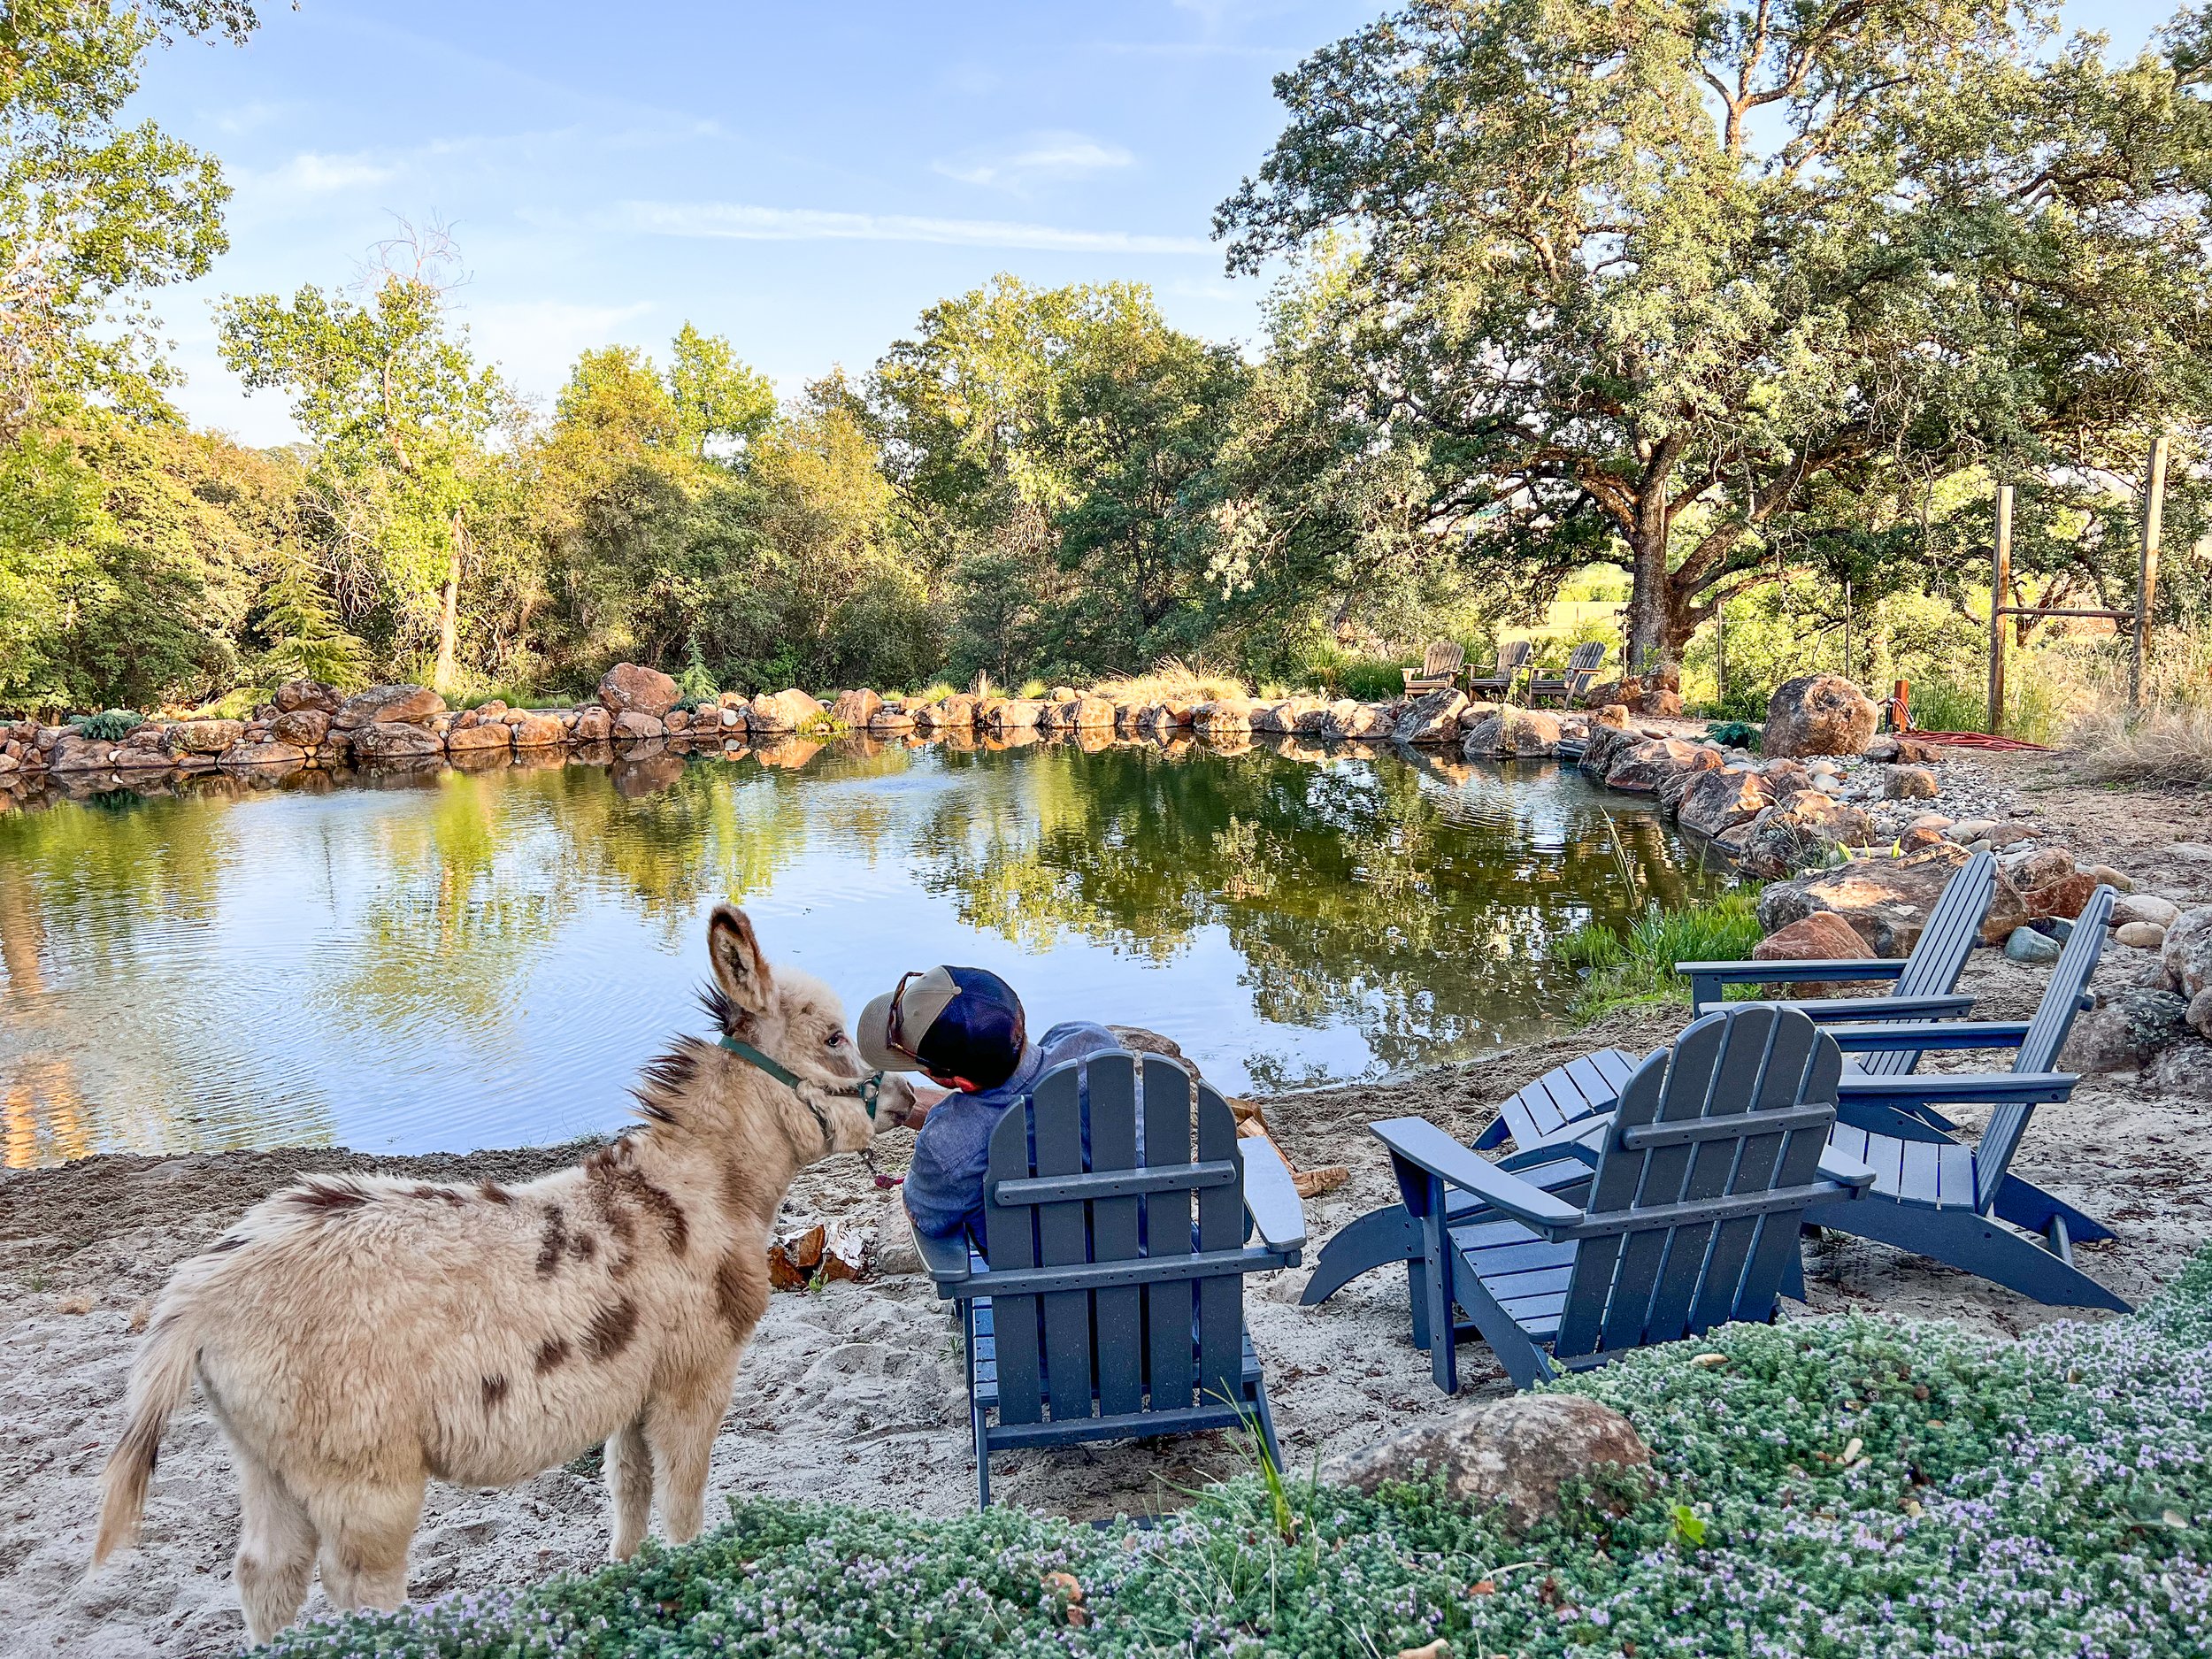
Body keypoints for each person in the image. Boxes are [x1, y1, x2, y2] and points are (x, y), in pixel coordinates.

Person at [858, 965, 1122, 1243]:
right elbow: (1028, 1089)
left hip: (1036, 1270)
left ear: (956, 1080)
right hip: (1150, 1251)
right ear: (1019, 1013)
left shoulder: (944, 1144)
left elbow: (923, 1217)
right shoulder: (1093, 1043)